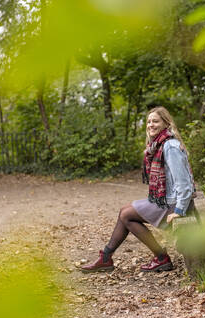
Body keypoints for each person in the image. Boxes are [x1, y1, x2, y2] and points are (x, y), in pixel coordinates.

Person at [81, 106, 195, 273]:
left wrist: (179, 210)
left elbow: (184, 184)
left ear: (166, 123)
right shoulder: (159, 144)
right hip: (168, 200)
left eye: (155, 121)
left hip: (174, 204)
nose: (151, 125)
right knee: (125, 211)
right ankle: (106, 258)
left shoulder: (169, 146)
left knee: (126, 215)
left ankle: (160, 258)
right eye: (149, 122)